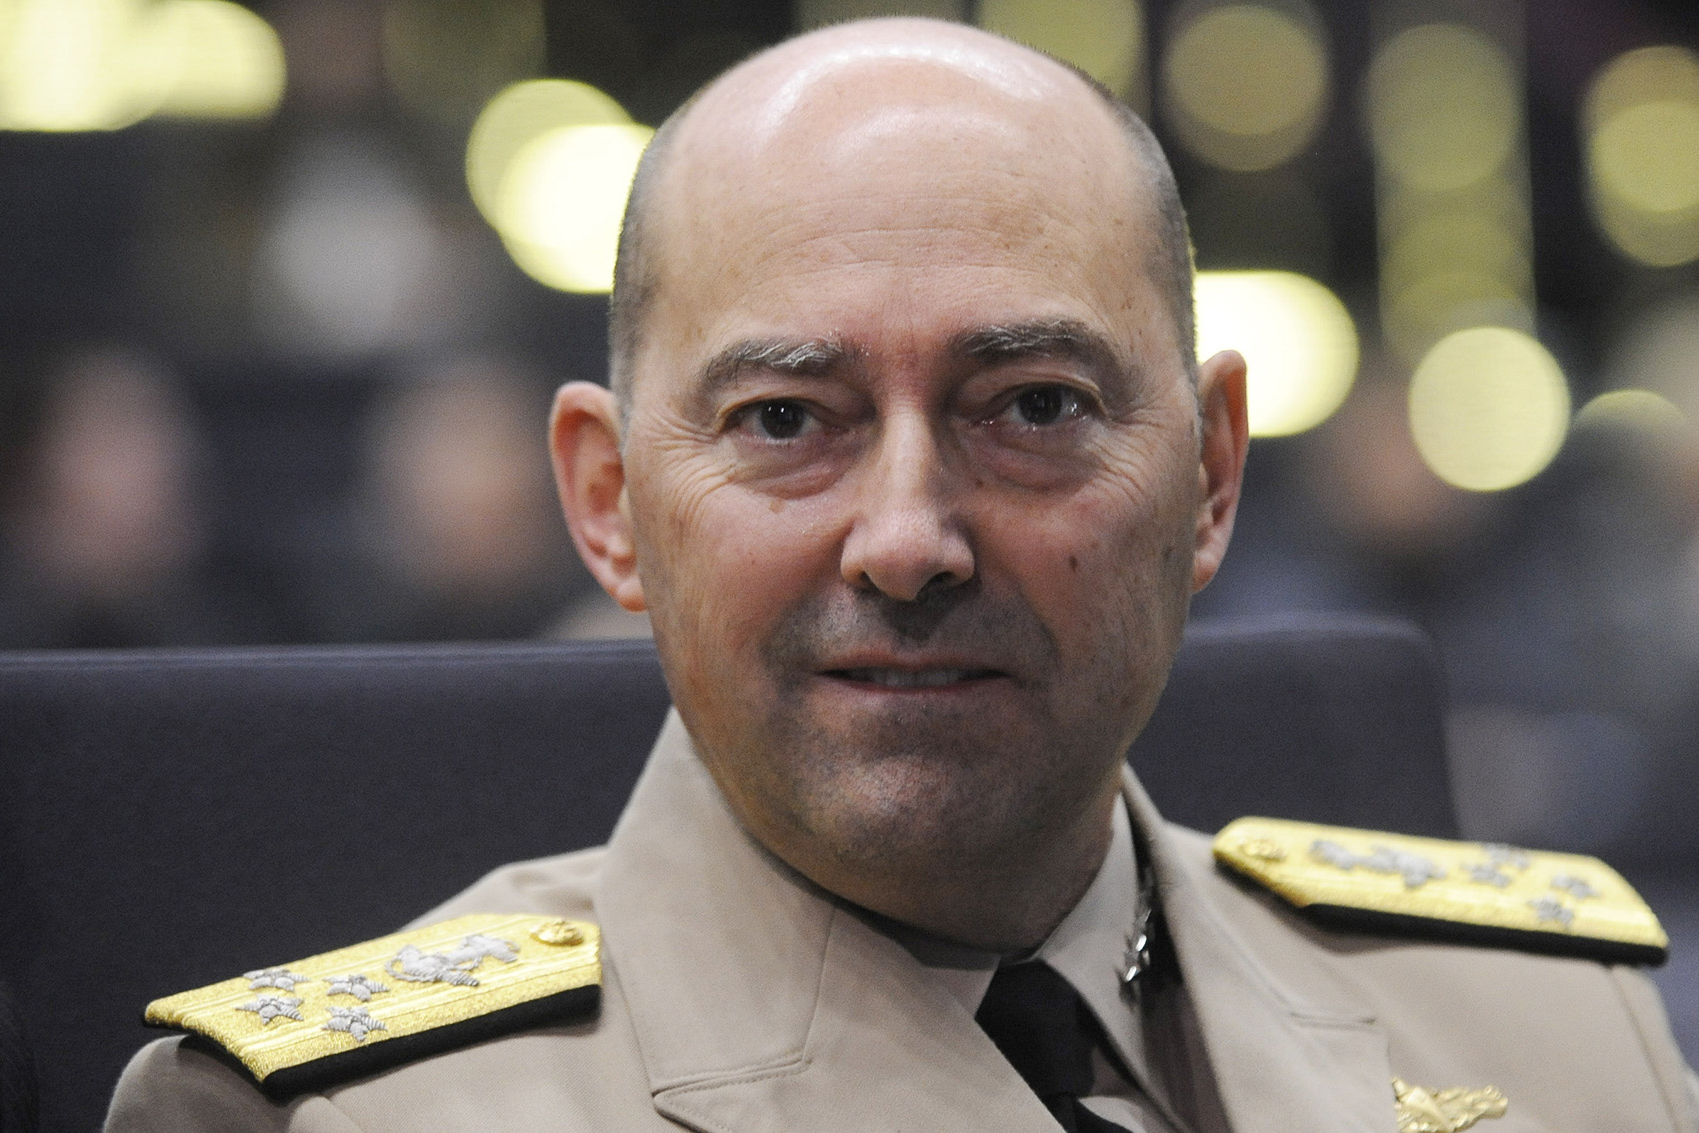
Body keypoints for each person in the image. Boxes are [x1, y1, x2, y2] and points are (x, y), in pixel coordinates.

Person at [106, 18, 1698, 1132]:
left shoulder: (1564, 1033)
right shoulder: (333, 1116)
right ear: (608, 506)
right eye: (787, 420)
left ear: (1212, 475)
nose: (909, 538)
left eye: (1035, 409)